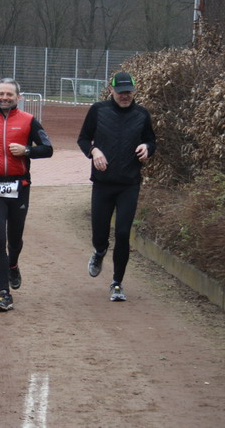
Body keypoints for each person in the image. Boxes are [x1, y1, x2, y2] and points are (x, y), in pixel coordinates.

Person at [0, 78, 53, 312]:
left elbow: (48, 149)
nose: (5, 98)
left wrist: (26, 150)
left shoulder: (29, 121)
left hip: (19, 187)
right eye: (1, 94)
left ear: (18, 97)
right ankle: (4, 293)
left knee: (14, 239)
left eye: (9, 94)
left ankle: (13, 264)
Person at [77, 71, 156, 302]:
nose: (125, 96)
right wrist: (94, 151)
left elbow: (151, 140)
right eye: (121, 92)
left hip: (129, 184)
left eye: (128, 91)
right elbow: (83, 139)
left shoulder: (142, 114)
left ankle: (117, 283)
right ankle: (99, 251)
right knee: (99, 234)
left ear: (134, 91)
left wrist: (147, 148)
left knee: (122, 233)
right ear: (111, 90)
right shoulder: (98, 110)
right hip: (102, 184)